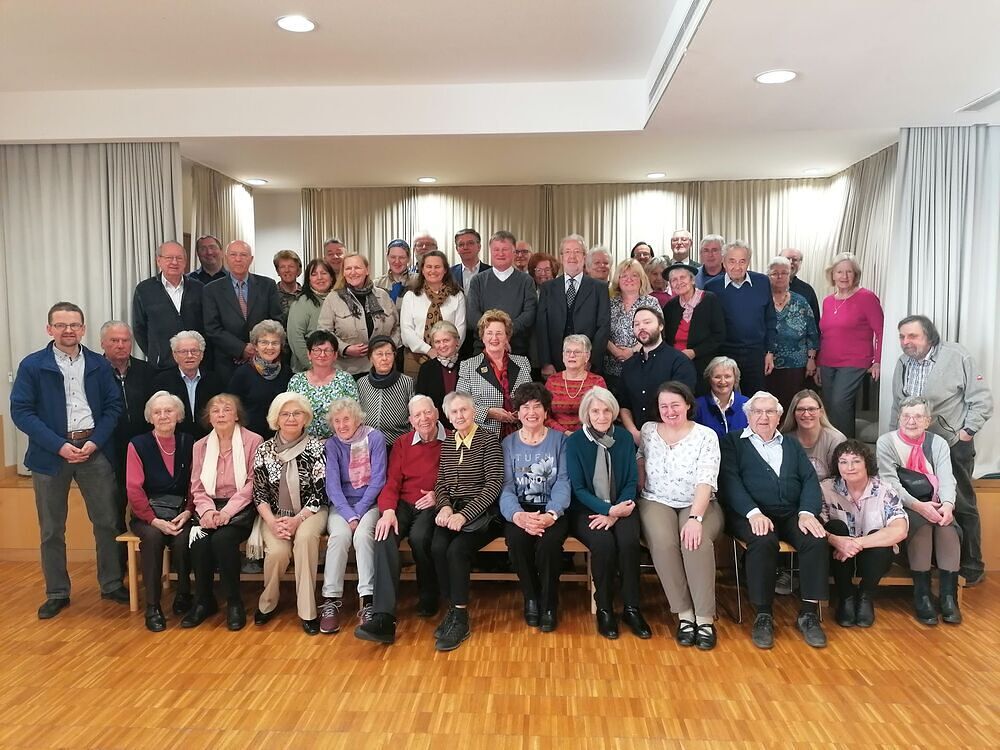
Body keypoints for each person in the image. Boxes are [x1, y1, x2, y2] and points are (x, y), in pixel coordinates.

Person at [10, 302, 128, 619]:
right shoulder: (33, 365)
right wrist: (59, 445)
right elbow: (21, 412)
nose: (68, 330)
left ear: (83, 328)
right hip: (50, 455)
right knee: (51, 529)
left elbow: (113, 408)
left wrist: (93, 443)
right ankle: (57, 592)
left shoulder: (98, 365)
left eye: (74, 324)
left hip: (93, 450)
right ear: (49, 329)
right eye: (61, 325)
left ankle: (112, 583)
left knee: (107, 523)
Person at [718, 391, 828, 649]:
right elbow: (729, 481)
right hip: (750, 513)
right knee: (763, 540)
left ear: (779, 417)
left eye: (770, 412)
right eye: (757, 411)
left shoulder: (790, 444)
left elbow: (810, 480)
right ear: (748, 416)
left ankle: (809, 614)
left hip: (791, 512)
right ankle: (764, 614)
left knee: (816, 538)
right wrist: (752, 512)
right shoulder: (733, 442)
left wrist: (806, 512)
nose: (764, 417)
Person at [890, 314, 992, 586]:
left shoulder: (957, 356)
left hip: (951, 444)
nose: (906, 342)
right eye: (902, 337)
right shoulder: (903, 362)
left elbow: (982, 399)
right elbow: (897, 406)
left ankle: (972, 566)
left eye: (912, 336)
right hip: (914, 446)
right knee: (919, 503)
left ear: (929, 336)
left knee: (961, 503)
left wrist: (966, 433)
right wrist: (891, 440)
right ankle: (930, 564)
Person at [637, 382, 722, 650]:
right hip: (655, 500)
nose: (670, 411)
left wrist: (695, 519)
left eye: (675, 404)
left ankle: (705, 619)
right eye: (664, 406)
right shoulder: (649, 430)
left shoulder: (706, 436)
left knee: (694, 542)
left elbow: (706, 480)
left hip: (698, 503)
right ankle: (685, 615)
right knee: (663, 543)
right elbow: (641, 457)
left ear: (687, 404)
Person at [354, 395, 445, 644]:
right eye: (417, 415)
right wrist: (388, 511)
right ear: (410, 421)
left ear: (436, 413)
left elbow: (456, 478)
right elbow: (392, 482)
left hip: (432, 503)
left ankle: (429, 594)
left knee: (419, 537)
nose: (423, 419)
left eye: (427, 413)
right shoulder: (403, 443)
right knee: (384, 535)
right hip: (403, 504)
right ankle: (384, 616)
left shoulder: (449, 441)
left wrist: (439, 496)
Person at [565, 387, 651, 640]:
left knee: (627, 543)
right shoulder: (575, 442)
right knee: (603, 545)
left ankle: (631, 608)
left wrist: (615, 512)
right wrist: (606, 510)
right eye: (595, 411)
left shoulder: (623, 438)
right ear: (586, 414)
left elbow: (631, 480)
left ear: (614, 412)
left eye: (606, 410)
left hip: (623, 506)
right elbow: (578, 488)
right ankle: (604, 607)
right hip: (586, 509)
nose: (601, 416)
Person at [877, 396, 964, 625]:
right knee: (922, 525)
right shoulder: (886, 442)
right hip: (903, 503)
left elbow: (947, 479)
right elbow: (890, 484)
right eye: (906, 416)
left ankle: (948, 597)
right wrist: (918, 506)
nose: (911, 421)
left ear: (928, 421)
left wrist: (947, 505)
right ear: (899, 418)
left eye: (917, 416)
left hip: (935, 501)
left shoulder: (938, 443)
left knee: (947, 527)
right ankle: (922, 594)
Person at [431, 391, 505, 651]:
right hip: (454, 512)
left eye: (464, 410)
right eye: (454, 412)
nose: (460, 415)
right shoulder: (449, 443)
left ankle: (461, 616)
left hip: (484, 515)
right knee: (437, 546)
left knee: (457, 550)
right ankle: (452, 607)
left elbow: (494, 486)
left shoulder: (488, 441)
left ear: (473, 412)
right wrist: (446, 508)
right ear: (448, 417)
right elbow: (440, 482)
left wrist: (464, 514)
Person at [250, 392, 329, 635]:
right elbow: (259, 494)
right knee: (278, 552)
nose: (291, 418)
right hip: (274, 515)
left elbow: (321, 492)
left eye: (297, 413)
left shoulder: (317, 447)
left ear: (305, 418)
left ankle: (308, 612)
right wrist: (273, 523)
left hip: (310, 512)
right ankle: (268, 603)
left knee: (304, 541)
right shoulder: (264, 450)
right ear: (276, 418)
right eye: (285, 414)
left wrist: (297, 520)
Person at [183, 393, 263, 631]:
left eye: (226, 409)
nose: (220, 414)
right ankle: (203, 601)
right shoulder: (200, 446)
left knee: (223, 539)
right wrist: (207, 512)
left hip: (240, 507)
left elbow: (253, 484)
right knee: (198, 540)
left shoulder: (253, 440)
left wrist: (227, 512)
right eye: (215, 411)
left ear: (236, 415)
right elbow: (196, 486)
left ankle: (234, 602)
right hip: (208, 507)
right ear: (209, 418)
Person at [500, 383, 572, 632]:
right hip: (520, 510)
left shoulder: (559, 441)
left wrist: (552, 514)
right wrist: (517, 515)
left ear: (546, 411)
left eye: (537, 406)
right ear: (517, 413)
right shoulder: (508, 444)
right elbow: (506, 487)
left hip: (552, 509)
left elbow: (563, 481)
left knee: (549, 545)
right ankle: (531, 597)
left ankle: (550, 602)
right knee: (517, 542)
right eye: (525, 407)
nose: (531, 412)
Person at [125, 391, 194, 632]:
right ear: (150, 417)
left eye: (169, 410)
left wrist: (188, 511)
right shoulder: (138, 444)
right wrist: (154, 520)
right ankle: (153, 606)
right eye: (157, 412)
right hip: (147, 514)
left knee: (185, 536)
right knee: (153, 539)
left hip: (180, 512)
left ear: (179, 415)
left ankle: (184, 594)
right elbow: (134, 489)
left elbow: (195, 483)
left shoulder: (189, 442)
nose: (164, 416)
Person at [318, 399, 388, 635]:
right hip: (342, 505)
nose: (341, 425)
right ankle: (331, 600)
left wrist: (359, 512)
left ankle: (367, 601)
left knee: (363, 537)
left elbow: (378, 479)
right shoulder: (332, 444)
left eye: (346, 419)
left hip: (369, 503)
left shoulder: (375, 438)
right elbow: (333, 487)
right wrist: (349, 515)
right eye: (336, 421)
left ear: (357, 419)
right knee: (338, 537)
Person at [821, 439, 908, 628]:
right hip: (837, 560)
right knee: (835, 527)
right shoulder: (826, 489)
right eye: (843, 462)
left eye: (856, 461)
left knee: (880, 537)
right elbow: (816, 527)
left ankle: (866, 596)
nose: (849, 467)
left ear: (866, 463)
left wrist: (856, 543)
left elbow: (900, 530)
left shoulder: (885, 490)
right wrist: (837, 541)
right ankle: (846, 597)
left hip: (873, 560)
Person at [816, 252, 883, 438]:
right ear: (832, 274)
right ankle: (833, 447)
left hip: (854, 361)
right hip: (828, 361)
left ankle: (846, 450)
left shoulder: (867, 298)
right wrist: (819, 365)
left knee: (840, 402)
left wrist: (878, 361)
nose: (844, 277)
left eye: (849, 272)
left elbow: (881, 331)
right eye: (839, 272)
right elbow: (825, 334)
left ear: (856, 275)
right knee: (829, 406)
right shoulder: (828, 301)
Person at [100, 321, 153, 543]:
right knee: (112, 514)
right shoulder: (94, 371)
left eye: (126, 340)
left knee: (147, 509)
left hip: (144, 452)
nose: (121, 345)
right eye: (114, 340)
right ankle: (118, 570)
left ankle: (148, 565)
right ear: (102, 343)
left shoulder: (147, 371)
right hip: (108, 451)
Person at [202, 240, 283, 382]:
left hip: (263, 360)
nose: (238, 259)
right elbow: (212, 328)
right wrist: (241, 348)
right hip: (227, 364)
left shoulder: (267, 285)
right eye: (233, 255)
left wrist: (258, 348)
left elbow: (276, 321)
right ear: (225, 258)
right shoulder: (211, 290)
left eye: (243, 255)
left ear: (251, 259)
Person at [703, 241, 776, 398]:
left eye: (742, 261)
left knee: (756, 400)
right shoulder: (711, 287)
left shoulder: (762, 282)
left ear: (748, 262)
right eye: (732, 261)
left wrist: (770, 352)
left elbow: (770, 318)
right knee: (725, 399)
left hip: (756, 354)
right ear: (723, 262)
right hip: (725, 354)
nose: (737, 266)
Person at [619, 306, 697, 443]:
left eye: (647, 322)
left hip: (671, 439)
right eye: (636, 324)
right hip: (636, 439)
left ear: (660, 325)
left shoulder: (679, 361)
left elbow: (683, 404)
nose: (641, 327)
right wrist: (633, 433)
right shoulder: (628, 366)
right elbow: (624, 405)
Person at [537, 234, 610, 377]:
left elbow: (603, 327)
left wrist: (591, 360)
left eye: (577, 251)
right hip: (555, 364)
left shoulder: (599, 288)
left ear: (584, 256)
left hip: (587, 364)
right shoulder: (548, 288)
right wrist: (546, 362)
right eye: (568, 252)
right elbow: (541, 327)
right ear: (561, 257)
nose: (572, 256)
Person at [316, 253, 400, 377]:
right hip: (347, 370)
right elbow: (324, 332)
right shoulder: (333, 298)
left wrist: (389, 348)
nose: (353, 272)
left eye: (357, 268)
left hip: (382, 368)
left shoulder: (383, 296)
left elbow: (396, 327)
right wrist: (344, 348)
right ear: (343, 273)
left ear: (367, 270)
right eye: (348, 268)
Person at [456, 309, 532, 436]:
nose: (494, 338)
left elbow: (532, 399)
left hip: (521, 435)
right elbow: (459, 405)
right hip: (483, 438)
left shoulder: (522, 363)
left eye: (499, 333)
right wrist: (488, 413)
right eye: (489, 333)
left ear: (507, 337)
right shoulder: (468, 366)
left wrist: (522, 411)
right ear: (482, 337)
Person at [132, 241, 206, 371]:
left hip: (195, 363)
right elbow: (139, 328)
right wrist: (156, 353)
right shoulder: (144, 289)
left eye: (179, 258)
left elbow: (206, 325)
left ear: (185, 261)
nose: (174, 262)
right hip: (161, 366)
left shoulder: (199, 288)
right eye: (169, 258)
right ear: (158, 260)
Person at [466, 230, 536, 356]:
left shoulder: (526, 281)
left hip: (516, 349)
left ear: (514, 252)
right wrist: (493, 337)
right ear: (490, 252)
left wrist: (504, 336)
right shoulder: (478, 280)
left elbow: (529, 314)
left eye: (505, 249)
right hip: (483, 350)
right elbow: (472, 315)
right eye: (496, 250)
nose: (500, 254)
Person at [399, 249, 466, 379]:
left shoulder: (456, 295)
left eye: (437, 267)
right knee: (417, 398)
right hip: (416, 358)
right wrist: (428, 350)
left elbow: (460, 328)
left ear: (445, 270)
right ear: (422, 270)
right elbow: (406, 330)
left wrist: (446, 351)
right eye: (428, 267)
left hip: (449, 358)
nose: (433, 271)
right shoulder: (411, 295)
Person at [662, 261, 726, 396]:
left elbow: (719, 335)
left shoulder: (709, 300)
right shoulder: (670, 306)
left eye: (682, 278)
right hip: (676, 364)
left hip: (703, 363)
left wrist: (694, 352)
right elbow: (666, 338)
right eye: (674, 280)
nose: (678, 282)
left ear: (692, 280)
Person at [765, 256, 818, 411]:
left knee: (792, 405)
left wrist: (811, 359)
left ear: (790, 276)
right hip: (768, 364)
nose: (780, 277)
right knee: (770, 405)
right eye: (775, 273)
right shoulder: (762, 300)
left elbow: (812, 333)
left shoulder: (800, 301)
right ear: (768, 276)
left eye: (784, 273)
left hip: (796, 364)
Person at [287, 330, 360, 441]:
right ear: (309, 354)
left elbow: (354, 415)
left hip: (339, 443)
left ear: (335, 355)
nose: (322, 355)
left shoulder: (345, 379)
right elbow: (289, 413)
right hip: (303, 443)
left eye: (327, 350)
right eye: (317, 350)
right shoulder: (297, 381)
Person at [151, 330, 224, 440]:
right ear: (175, 355)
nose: (190, 356)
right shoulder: (162, 381)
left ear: (202, 354)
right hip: (175, 441)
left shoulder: (215, 380)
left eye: (194, 351)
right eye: (184, 352)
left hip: (209, 440)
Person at [227, 320, 292, 438]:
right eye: (264, 342)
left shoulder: (287, 372)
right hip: (250, 438)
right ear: (255, 346)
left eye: (275, 343)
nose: (270, 347)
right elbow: (232, 408)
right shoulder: (242, 373)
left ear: (281, 346)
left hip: (281, 437)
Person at [604, 259, 661, 390]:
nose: (629, 279)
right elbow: (600, 330)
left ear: (641, 279)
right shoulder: (609, 303)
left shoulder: (651, 302)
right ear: (618, 280)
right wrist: (615, 351)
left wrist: (633, 350)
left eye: (634, 275)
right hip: (611, 368)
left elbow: (657, 331)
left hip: (643, 365)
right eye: (624, 276)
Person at [356, 336, 416, 448]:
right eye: (379, 354)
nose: (384, 358)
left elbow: (413, 415)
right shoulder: (361, 383)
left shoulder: (407, 382)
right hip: (368, 443)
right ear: (370, 358)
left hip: (399, 443)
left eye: (388, 354)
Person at [544, 335, 607, 434]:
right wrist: (565, 432)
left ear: (587, 356)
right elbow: (544, 414)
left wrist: (580, 436)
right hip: (555, 437)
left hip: (588, 437)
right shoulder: (552, 381)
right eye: (568, 352)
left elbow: (602, 415)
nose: (571, 355)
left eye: (577, 352)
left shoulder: (597, 382)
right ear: (563, 356)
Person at [780, 389, 846, 481]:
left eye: (811, 409)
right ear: (793, 413)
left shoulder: (836, 440)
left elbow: (841, 479)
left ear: (821, 412)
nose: (806, 414)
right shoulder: (785, 440)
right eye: (800, 409)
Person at [286, 258, 337, 373]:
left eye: (324, 273)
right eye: (314, 274)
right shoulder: (301, 303)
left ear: (332, 277)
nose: (319, 278)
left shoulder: (339, 299)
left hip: (337, 368)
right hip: (309, 370)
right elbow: (295, 338)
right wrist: (313, 366)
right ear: (309, 280)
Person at [415, 321, 462, 431]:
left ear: (457, 341)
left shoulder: (468, 364)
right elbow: (421, 401)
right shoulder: (426, 369)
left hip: (466, 427)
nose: (442, 345)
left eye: (446, 340)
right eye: (437, 342)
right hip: (437, 430)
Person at [693, 356, 749, 438]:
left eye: (727, 376)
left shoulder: (747, 404)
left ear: (735, 378)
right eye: (717, 377)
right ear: (709, 379)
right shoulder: (697, 405)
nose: (723, 381)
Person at [780, 248, 821, 324]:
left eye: (795, 260)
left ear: (800, 263)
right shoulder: (766, 286)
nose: (790, 262)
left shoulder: (807, 290)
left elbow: (815, 321)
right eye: (787, 258)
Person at [375, 239, 418, 312]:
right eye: (393, 257)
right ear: (387, 258)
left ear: (408, 259)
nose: (397, 261)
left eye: (401, 257)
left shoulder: (419, 281)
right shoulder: (377, 284)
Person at [451, 228, 490, 294]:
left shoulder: (492, 273)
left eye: (470, 243)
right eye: (461, 244)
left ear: (479, 247)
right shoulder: (449, 274)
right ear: (457, 249)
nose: (465, 247)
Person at [272, 249, 302, 326]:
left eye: (291, 266)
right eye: (282, 267)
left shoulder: (306, 294)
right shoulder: (271, 294)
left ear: (298, 270)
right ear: (277, 271)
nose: (287, 270)